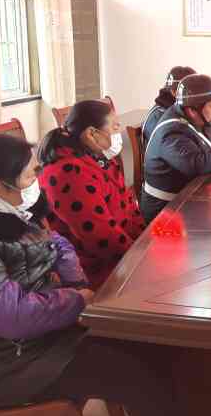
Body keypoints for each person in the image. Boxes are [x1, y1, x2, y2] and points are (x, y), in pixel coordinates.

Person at [0, 135, 181, 416]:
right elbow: (9, 316)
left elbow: (56, 243)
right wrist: (77, 300)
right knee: (139, 374)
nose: (37, 182)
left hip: (45, 341)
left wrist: (77, 286)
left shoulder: (3, 208)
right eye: (30, 176)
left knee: (146, 346)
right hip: (8, 368)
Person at [39, 99, 146, 289]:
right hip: (91, 269)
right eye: (114, 127)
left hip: (122, 255)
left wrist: (146, 243)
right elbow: (100, 237)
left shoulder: (98, 158)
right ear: (91, 133)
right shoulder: (67, 173)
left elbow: (130, 207)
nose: (118, 132)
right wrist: (140, 260)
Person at [141, 73, 211, 223]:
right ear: (192, 109)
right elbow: (195, 163)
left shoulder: (195, 119)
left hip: (189, 199)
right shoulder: (171, 132)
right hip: (165, 211)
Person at [142, 65, 196, 145]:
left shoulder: (179, 110)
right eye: (192, 91)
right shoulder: (159, 119)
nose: (197, 96)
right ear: (174, 92)